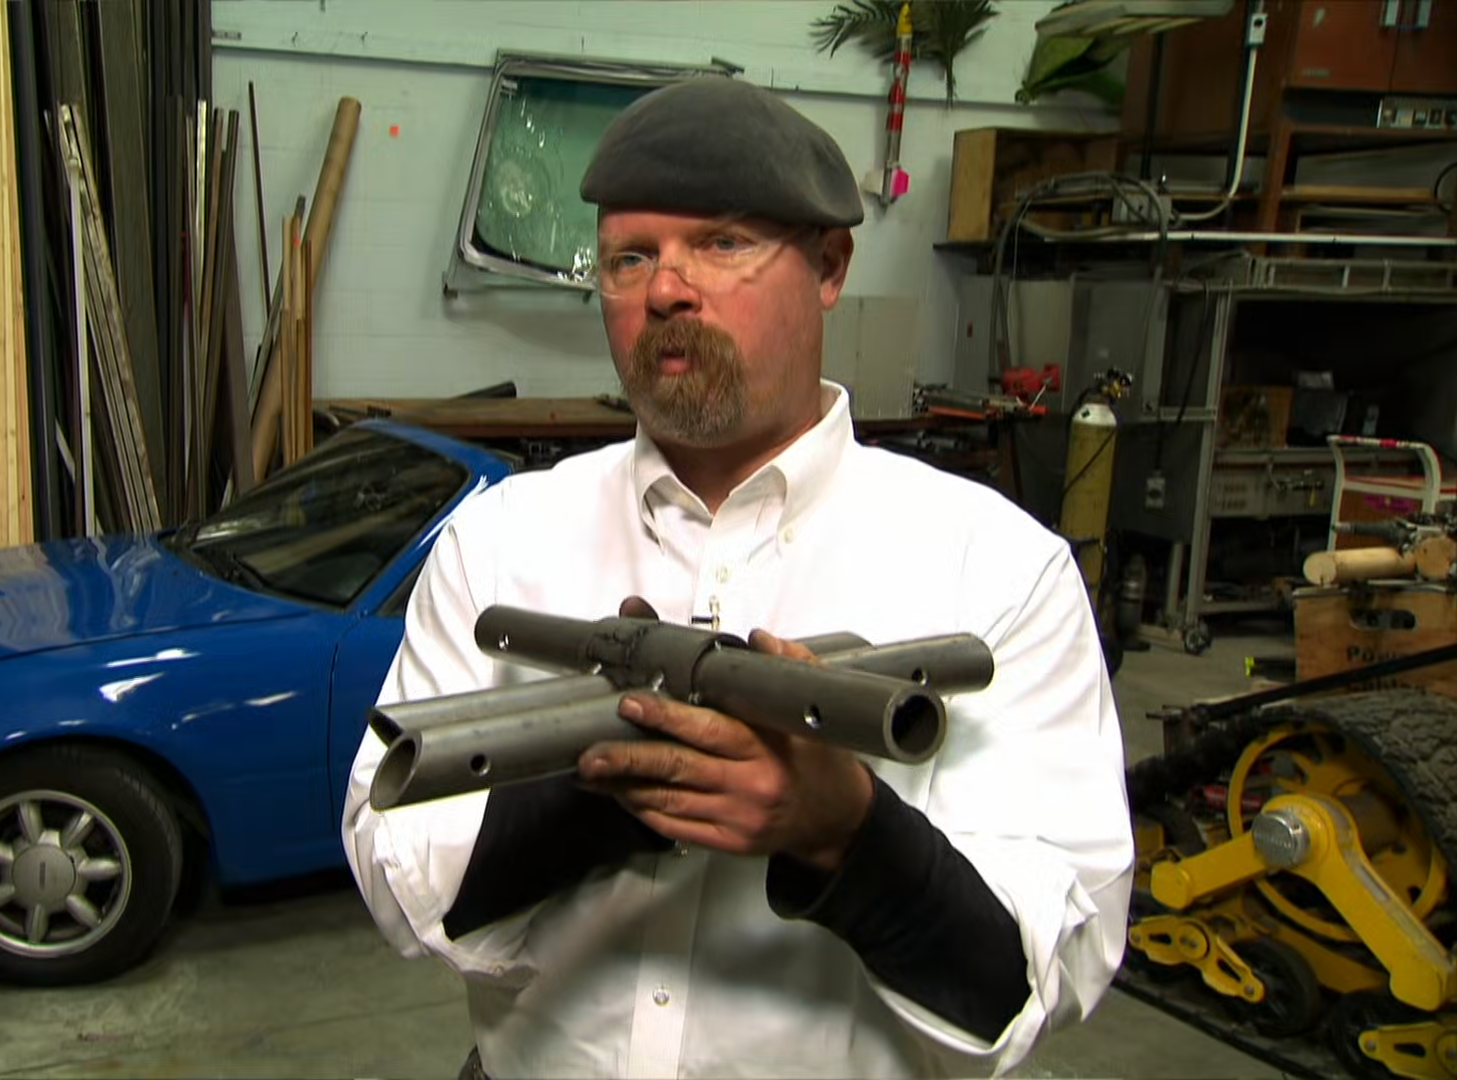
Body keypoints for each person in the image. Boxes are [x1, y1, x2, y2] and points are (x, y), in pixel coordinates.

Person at [342, 75, 1134, 1080]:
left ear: (829, 264)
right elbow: (393, 867)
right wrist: (600, 791)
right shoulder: (499, 540)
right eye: (630, 257)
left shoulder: (999, 569)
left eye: (720, 243)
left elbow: (1043, 970)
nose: (666, 290)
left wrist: (844, 832)